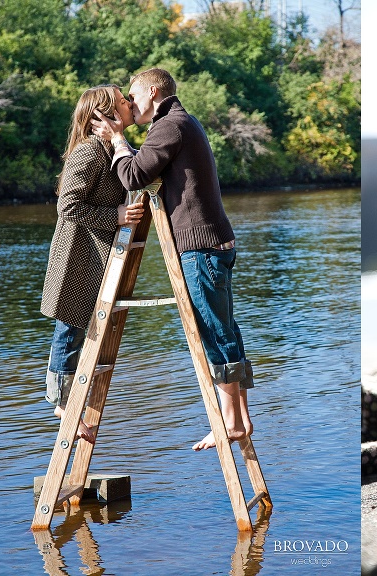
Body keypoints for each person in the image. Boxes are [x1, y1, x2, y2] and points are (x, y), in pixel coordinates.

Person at [90, 68, 255, 451]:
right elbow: (147, 168)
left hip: (200, 248)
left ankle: (231, 423)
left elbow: (133, 177)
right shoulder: (182, 122)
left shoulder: (169, 125)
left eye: (133, 97)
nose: (130, 105)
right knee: (226, 329)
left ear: (153, 92)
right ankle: (242, 419)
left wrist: (117, 139)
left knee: (214, 331)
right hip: (214, 243)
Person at [41, 84, 144, 442]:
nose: (130, 103)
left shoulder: (111, 148)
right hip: (75, 255)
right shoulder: (88, 152)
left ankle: (68, 401)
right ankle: (60, 403)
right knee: (69, 328)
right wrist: (115, 215)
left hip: (95, 253)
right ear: (106, 114)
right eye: (123, 101)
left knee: (77, 328)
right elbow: (66, 206)